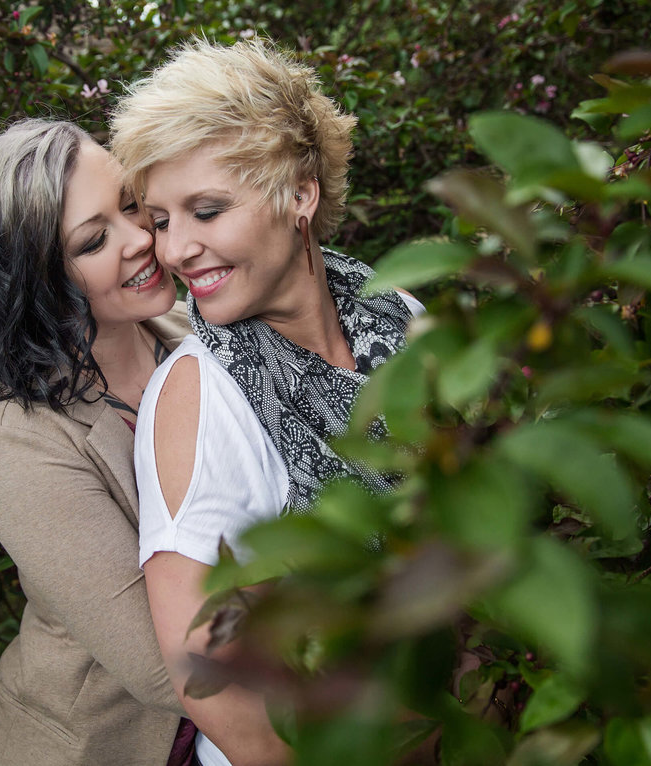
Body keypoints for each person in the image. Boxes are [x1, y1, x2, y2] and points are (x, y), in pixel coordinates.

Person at [111, 39, 425, 766]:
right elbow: (205, 674)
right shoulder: (198, 396)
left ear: (300, 194)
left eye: (206, 210)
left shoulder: (396, 310)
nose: (177, 249)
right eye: (160, 220)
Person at [0, 118, 197, 765]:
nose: (141, 240)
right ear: (34, 278)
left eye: (132, 206)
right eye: (94, 239)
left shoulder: (190, 329)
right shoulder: (11, 441)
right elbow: (167, 670)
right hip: (105, 742)